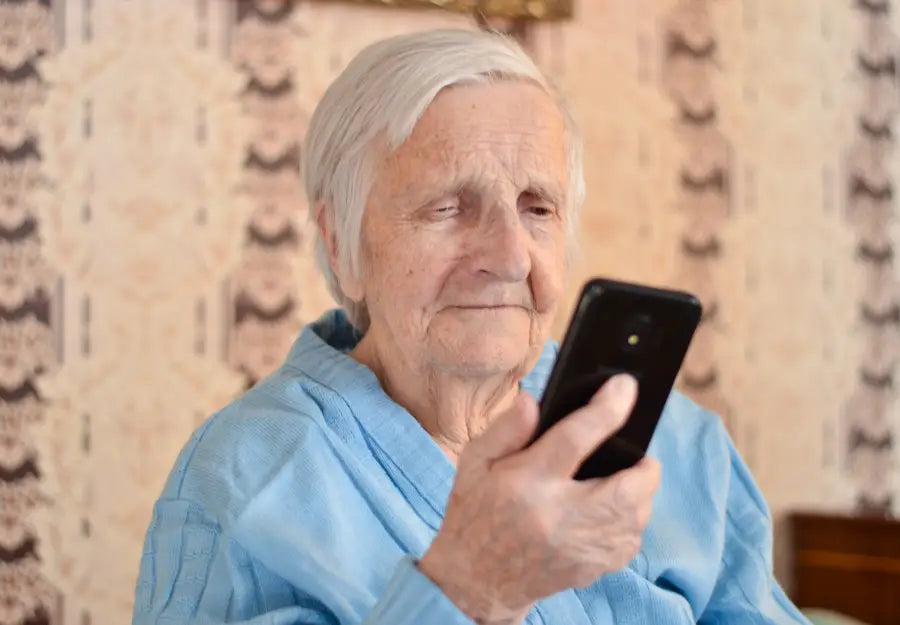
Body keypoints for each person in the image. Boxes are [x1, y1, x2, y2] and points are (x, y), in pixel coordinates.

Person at [132, 29, 809, 625]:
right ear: (341, 245)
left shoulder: (678, 443)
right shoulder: (243, 479)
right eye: (448, 207)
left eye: (537, 208)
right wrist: (468, 590)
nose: (510, 256)